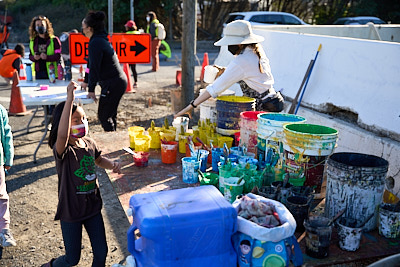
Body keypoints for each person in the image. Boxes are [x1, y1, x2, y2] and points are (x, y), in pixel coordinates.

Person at [42, 81, 122, 267]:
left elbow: (98, 160)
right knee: (72, 259)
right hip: (71, 211)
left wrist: (113, 165)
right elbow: (62, 136)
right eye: (75, 120)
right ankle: (50, 266)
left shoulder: (89, 143)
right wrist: (69, 98)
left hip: (92, 208)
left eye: (83, 119)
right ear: (64, 123)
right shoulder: (63, 150)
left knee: (101, 253)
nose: (82, 123)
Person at [174, 20, 284, 118]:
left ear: (239, 43)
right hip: (272, 101)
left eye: (230, 43)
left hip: (264, 108)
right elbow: (249, 73)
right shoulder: (255, 50)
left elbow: (214, 89)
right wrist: (224, 70)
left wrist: (191, 106)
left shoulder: (241, 60)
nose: (228, 46)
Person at [82, 11, 127, 131]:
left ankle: (112, 140)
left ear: (89, 28)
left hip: (113, 83)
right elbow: (90, 64)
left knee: (104, 116)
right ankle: (114, 138)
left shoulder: (96, 42)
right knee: (110, 114)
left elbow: (94, 68)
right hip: (115, 82)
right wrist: (86, 81)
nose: (82, 30)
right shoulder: (97, 40)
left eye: (83, 27)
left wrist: (91, 89)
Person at [0, 104, 16, 248]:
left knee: (1, 196)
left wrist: (8, 157)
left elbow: (6, 134)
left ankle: (4, 229)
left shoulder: (0, 110)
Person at [28, 15, 61, 79]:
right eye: (37, 25)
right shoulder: (33, 41)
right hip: (38, 72)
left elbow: (58, 56)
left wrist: (47, 57)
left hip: (52, 72)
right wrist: (34, 57)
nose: (40, 27)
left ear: (46, 26)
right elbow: (30, 56)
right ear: (34, 27)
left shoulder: (54, 40)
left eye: (42, 25)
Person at [124, 20, 139, 88]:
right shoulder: (138, 33)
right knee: (134, 69)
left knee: (127, 69)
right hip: (135, 54)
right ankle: (136, 82)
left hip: (128, 54)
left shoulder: (127, 34)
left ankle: (126, 83)